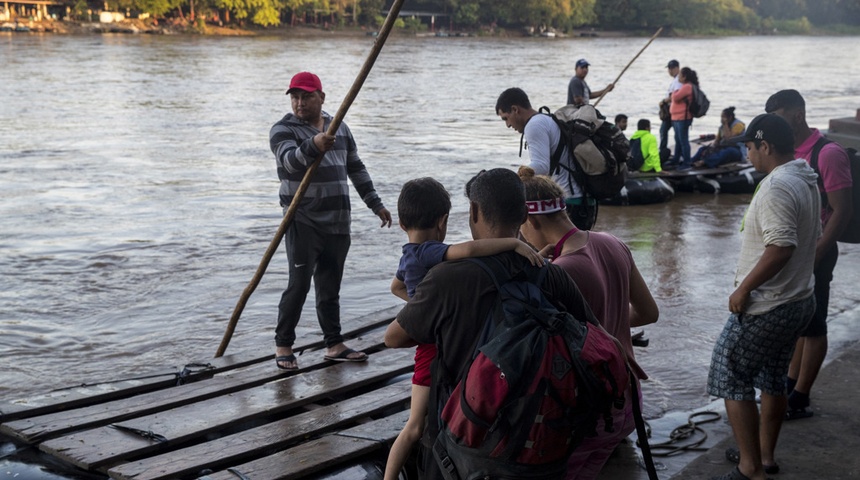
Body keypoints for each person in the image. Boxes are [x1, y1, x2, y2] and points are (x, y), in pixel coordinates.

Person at [383, 168, 599, 480]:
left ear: (472, 211)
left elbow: (394, 338)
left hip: (463, 437)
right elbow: (593, 340)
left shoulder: (446, 279)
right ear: (524, 214)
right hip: (540, 435)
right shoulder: (552, 274)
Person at [516, 166, 659, 479]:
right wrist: (611, 324)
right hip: (628, 400)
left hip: (594, 409)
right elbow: (649, 312)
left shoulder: (560, 272)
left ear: (531, 220)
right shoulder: (612, 242)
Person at [706, 113, 820, 480]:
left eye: (750, 148)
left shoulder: (776, 187)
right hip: (800, 299)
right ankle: (764, 457)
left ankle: (749, 467)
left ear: (765, 146)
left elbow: (781, 247)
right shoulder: (804, 176)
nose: (749, 156)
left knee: (729, 372)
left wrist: (743, 289)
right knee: (772, 378)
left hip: (770, 304)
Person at [269, 71, 393, 370]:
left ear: (321, 97)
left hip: (338, 220)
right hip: (303, 220)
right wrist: (314, 145)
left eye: (306, 96)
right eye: (295, 97)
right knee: (298, 285)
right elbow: (289, 162)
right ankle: (283, 344)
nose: (300, 103)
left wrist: (375, 203)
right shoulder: (282, 129)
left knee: (330, 285)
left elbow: (355, 167)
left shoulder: (340, 128)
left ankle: (333, 343)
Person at [765, 89, 854, 420]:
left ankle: (800, 398)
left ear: (798, 115)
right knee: (798, 324)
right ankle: (790, 384)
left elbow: (842, 211)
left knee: (814, 325)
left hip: (817, 251)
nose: (776, 125)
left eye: (779, 117)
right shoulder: (788, 152)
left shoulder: (827, 153)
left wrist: (818, 252)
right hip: (793, 251)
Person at [496, 87, 597, 230]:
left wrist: (511, 182)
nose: (507, 125)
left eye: (506, 118)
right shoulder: (546, 119)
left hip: (569, 203)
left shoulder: (534, 125)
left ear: (515, 109)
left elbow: (541, 166)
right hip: (583, 201)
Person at [671, 67, 698, 169]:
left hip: (683, 118)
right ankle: (676, 160)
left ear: (685, 76)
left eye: (680, 75)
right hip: (677, 117)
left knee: (683, 141)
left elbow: (675, 97)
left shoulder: (687, 87)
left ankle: (687, 163)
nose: (678, 77)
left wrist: (674, 90)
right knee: (678, 140)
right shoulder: (685, 86)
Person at [659, 59, 682, 166]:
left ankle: (674, 156)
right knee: (664, 131)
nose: (669, 71)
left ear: (676, 68)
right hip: (671, 111)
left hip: (674, 112)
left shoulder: (678, 80)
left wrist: (663, 101)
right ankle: (663, 153)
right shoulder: (675, 80)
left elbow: (674, 95)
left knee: (672, 133)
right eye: (669, 69)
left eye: (671, 68)